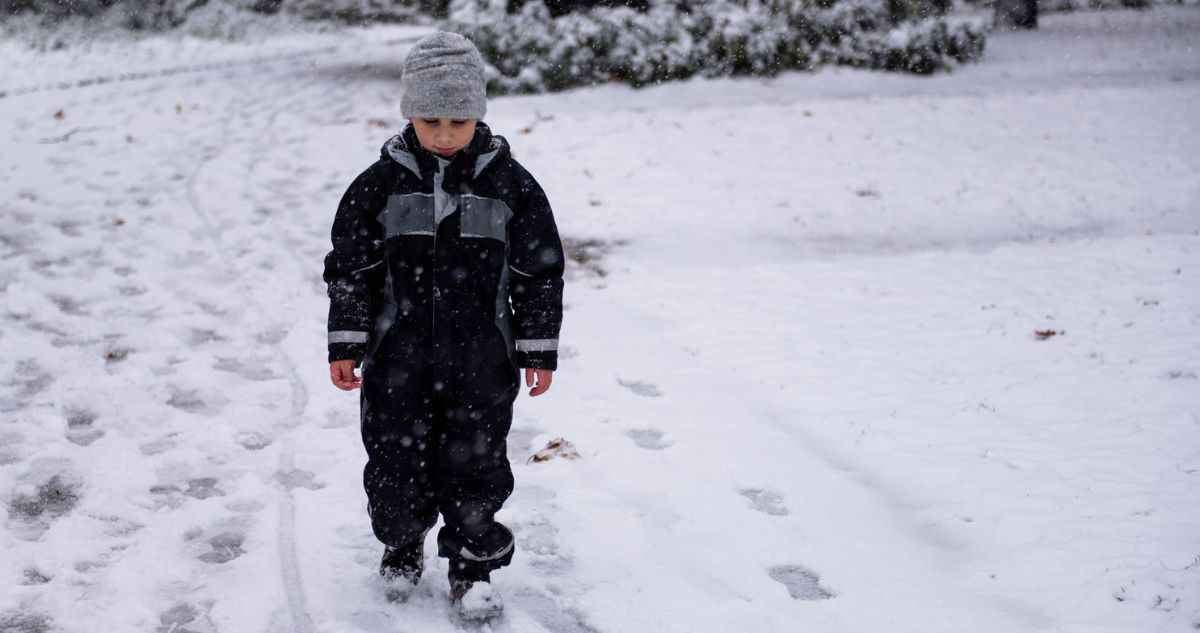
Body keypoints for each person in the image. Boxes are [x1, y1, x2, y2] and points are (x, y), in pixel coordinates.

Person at [322, 31, 564, 620]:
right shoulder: (378, 186)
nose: (446, 134)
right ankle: (401, 544)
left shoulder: (512, 186)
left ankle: (473, 567)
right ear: (410, 114)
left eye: (459, 120)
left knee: (476, 467)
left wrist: (536, 348)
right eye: (431, 119)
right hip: (397, 361)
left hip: (482, 362)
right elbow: (351, 269)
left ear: (478, 115)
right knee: (394, 467)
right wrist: (348, 341)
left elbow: (540, 272)